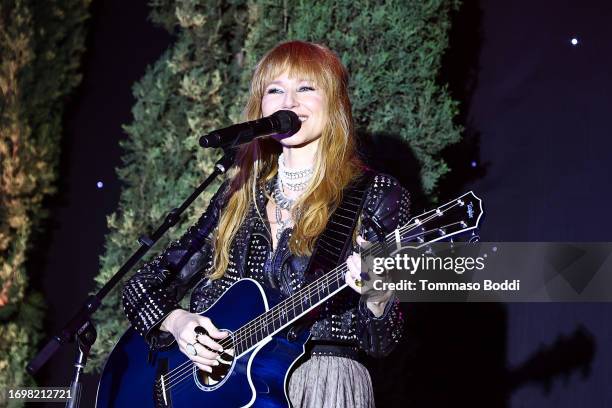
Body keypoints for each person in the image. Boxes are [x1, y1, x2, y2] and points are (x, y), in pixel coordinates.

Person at [122, 40, 410, 408]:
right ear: (260, 107)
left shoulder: (374, 192)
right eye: (276, 90)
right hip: (223, 394)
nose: (289, 101)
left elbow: (383, 341)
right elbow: (141, 285)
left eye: (306, 88)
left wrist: (379, 295)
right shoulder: (238, 196)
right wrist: (178, 324)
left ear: (334, 103)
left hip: (320, 382)